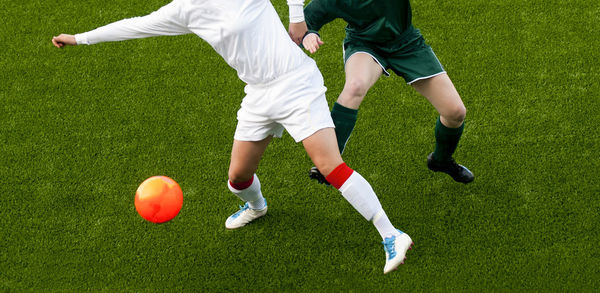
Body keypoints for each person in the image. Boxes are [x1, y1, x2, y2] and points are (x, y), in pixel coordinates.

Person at [52, 0, 412, 274]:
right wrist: (80, 39)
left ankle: (391, 234)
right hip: (258, 94)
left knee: (329, 165)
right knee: (238, 178)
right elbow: (136, 26)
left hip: (295, 83)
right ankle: (257, 207)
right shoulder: (183, 10)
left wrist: (296, 16)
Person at [289, 0, 475, 185]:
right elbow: (303, 25)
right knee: (355, 86)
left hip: (406, 43)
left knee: (455, 112)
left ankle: (441, 160)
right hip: (365, 45)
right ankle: (329, 164)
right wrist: (308, 35)